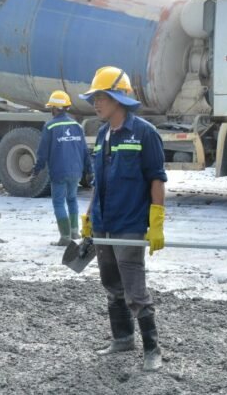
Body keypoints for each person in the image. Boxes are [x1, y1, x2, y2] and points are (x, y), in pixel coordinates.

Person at [78, 66, 167, 372]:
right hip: (104, 223)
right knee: (112, 285)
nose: (95, 103)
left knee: (135, 291)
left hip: (129, 225)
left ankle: (152, 349)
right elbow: (99, 182)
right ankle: (122, 338)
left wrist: (156, 220)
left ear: (118, 97)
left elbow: (156, 179)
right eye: (94, 98)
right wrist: (90, 216)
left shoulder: (144, 133)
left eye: (100, 97)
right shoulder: (102, 134)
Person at [33, 90, 92, 246]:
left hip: (59, 172)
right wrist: (90, 170)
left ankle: (65, 238)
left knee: (58, 202)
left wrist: (36, 170)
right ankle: (74, 232)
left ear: (54, 108)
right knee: (72, 199)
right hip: (76, 171)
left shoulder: (50, 126)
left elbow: (42, 152)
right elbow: (84, 150)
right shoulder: (77, 126)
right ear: (66, 107)